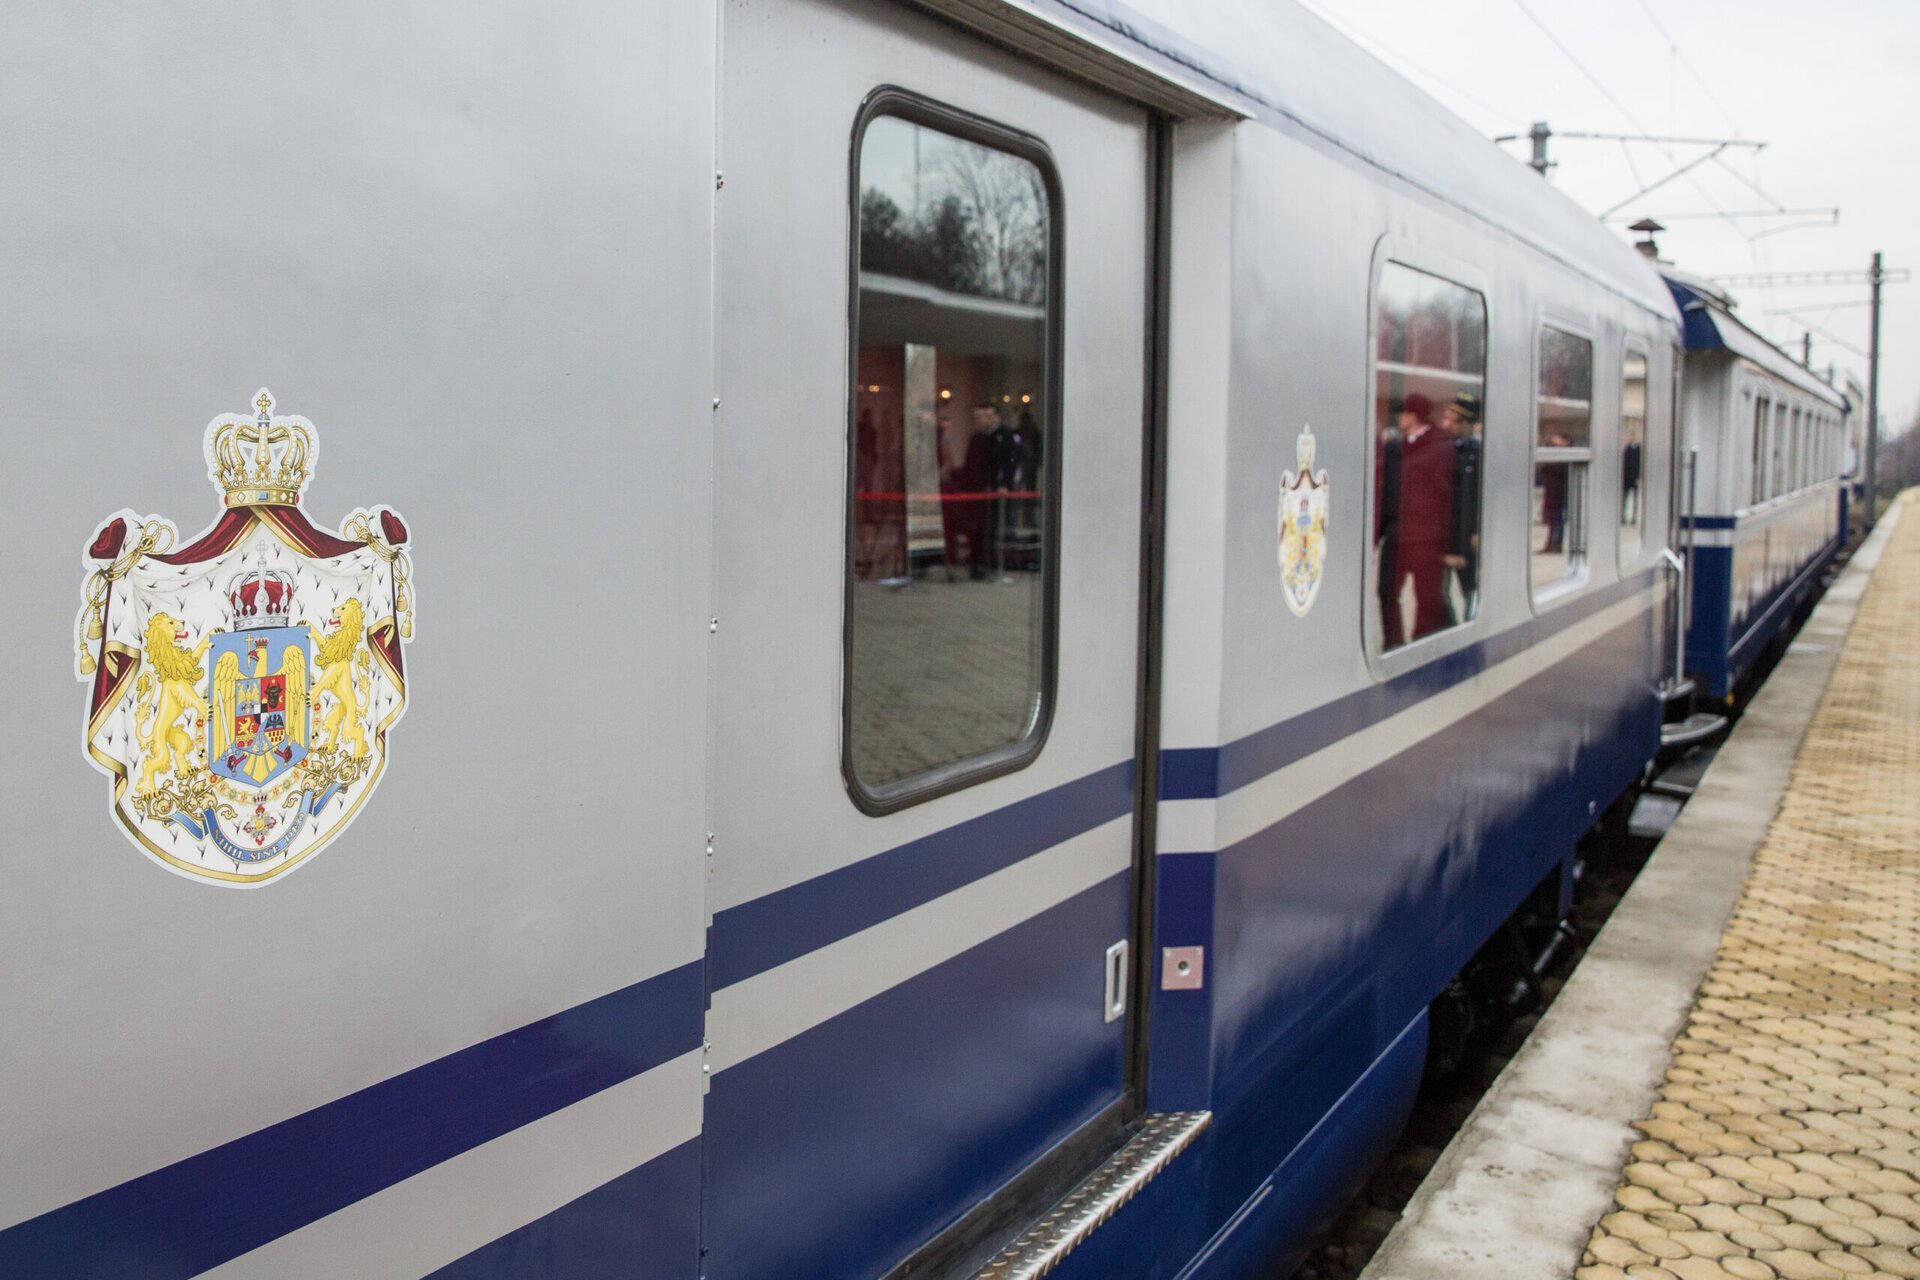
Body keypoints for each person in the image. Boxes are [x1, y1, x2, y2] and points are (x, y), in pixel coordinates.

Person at [1376, 393, 1453, 646]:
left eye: (1404, 413)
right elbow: (1385, 491)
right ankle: (1393, 642)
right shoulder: (1396, 448)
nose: (1401, 418)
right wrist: (1379, 533)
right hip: (1397, 533)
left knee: (1427, 597)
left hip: (1426, 537)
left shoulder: (1440, 447)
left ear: (1414, 416)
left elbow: (1447, 497)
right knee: (1386, 592)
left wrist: (1449, 542)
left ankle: (1423, 642)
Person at [1441, 393, 1483, 622]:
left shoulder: (1476, 454)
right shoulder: (1448, 449)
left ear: (1467, 424)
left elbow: (1479, 497)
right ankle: (1450, 627)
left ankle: (1471, 623)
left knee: (1469, 585)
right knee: (1440, 589)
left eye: (1453, 420)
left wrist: (1477, 531)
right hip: (1446, 529)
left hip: (1467, 532)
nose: (1446, 424)